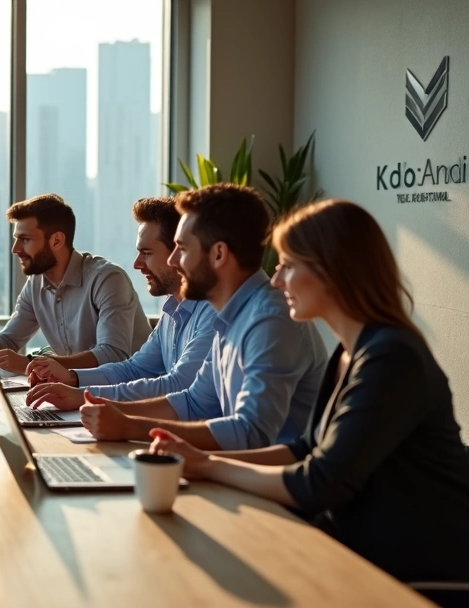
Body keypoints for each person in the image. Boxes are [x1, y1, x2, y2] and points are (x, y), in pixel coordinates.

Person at [148, 199, 469, 584]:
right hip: (355, 551)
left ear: (333, 271)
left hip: (413, 576)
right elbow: (304, 449)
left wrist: (207, 465)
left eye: (288, 265)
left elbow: (319, 481)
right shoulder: (351, 352)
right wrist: (197, 458)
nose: (278, 279)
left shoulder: (392, 358)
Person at [75, 184, 326, 450]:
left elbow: (250, 434)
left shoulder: (270, 319)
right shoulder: (230, 314)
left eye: (182, 248)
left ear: (218, 254)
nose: (173, 261)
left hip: (268, 483)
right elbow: (194, 402)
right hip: (234, 473)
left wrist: (130, 425)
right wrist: (101, 406)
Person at [25, 197, 217, 409]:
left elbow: (179, 385)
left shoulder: (212, 313)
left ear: (179, 253)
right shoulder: (172, 310)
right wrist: (72, 378)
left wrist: (83, 396)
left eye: (146, 253)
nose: (137, 264)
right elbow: (134, 369)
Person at [0, 194, 150, 376]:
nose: (16, 249)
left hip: (131, 395)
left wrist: (31, 364)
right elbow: (9, 338)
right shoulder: (36, 284)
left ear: (57, 240)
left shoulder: (107, 279)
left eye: (25, 240)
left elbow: (112, 355)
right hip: (78, 392)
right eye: (16, 239)